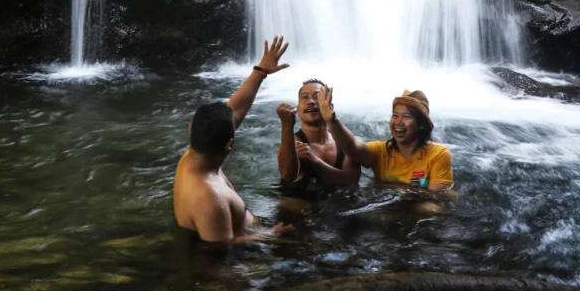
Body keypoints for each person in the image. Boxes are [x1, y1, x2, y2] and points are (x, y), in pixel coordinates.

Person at [173, 36, 293, 246]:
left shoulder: (198, 150)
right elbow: (221, 248)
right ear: (229, 145)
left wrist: (261, 71)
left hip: (243, 224)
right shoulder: (208, 199)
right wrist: (271, 235)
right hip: (233, 258)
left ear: (191, 128)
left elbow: (234, 111)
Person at [316, 86, 453, 192]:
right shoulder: (381, 151)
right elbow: (352, 148)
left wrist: (392, 190)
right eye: (395, 115)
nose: (398, 122)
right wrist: (332, 122)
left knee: (430, 209)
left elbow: (436, 200)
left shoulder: (439, 155)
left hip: (420, 219)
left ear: (421, 125)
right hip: (387, 214)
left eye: (406, 116)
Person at [276, 79, 363, 203]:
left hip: (338, 208)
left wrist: (314, 161)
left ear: (330, 107)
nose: (310, 102)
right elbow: (288, 175)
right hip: (298, 210)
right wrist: (286, 127)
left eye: (317, 97)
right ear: (298, 110)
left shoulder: (343, 141)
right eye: (304, 97)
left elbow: (352, 179)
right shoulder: (293, 142)